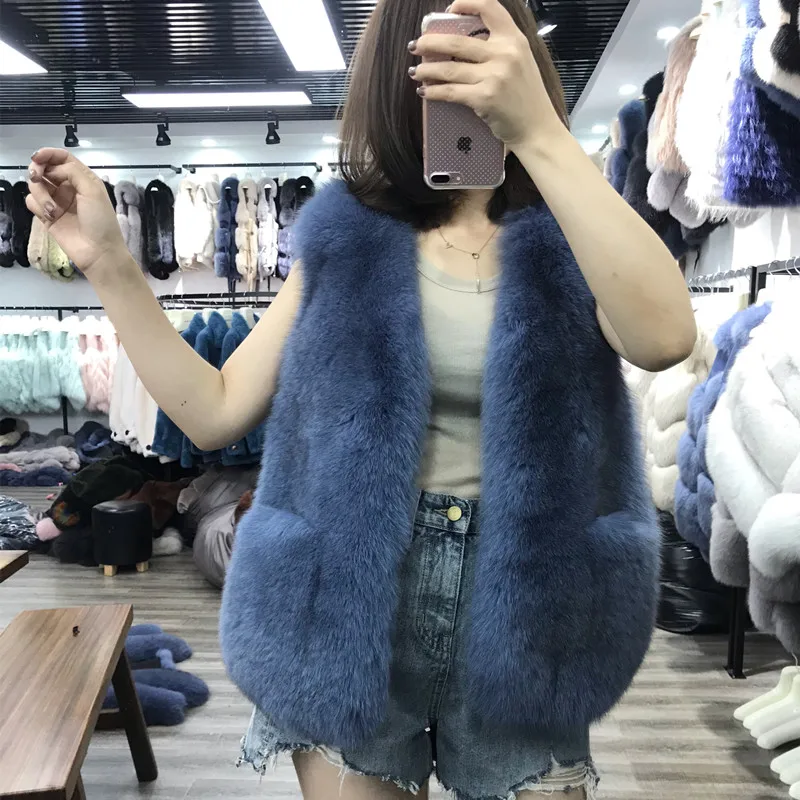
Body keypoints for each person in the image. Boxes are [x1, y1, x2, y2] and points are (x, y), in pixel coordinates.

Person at [26, 0, 696, 797]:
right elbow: (213, 410)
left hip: (530, 609)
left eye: (485, 40)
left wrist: (539, 134)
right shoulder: (349, 233)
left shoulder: (576, 223)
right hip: (348, 603)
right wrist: (108, 262)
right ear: (399, 66)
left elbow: (664, 338)